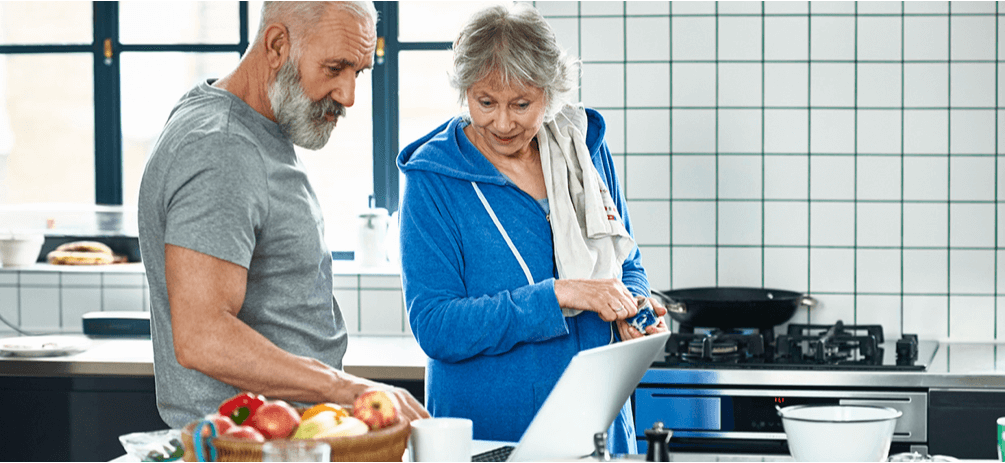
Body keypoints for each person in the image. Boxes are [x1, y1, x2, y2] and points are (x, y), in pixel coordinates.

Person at [138, 1, 428, 429]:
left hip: (286, 439)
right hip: (242, 448)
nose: (348, 95)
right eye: (335, 68)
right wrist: (347, 389)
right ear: (276, 45)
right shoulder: (222, 147)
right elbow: (202, 336)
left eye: (358, 72)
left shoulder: (247, 125)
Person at [396, 3, 668, 454]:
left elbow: (627, 262)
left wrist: (635, 304)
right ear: (465, 91)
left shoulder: (583, 151)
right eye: (485, 102)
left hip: (597, 429)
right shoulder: (432, 180)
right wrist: (558, 295)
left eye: (522, 104)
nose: (502, 123)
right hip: (492, 436)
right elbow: (436, 325)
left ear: (551, 91)